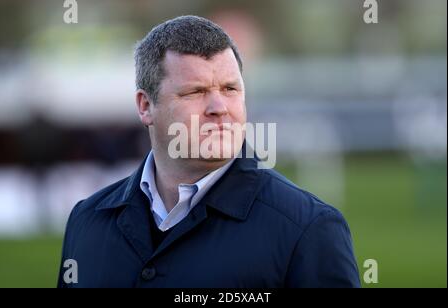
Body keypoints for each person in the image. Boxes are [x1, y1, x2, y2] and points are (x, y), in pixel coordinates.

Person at [58, 15, 360, 288]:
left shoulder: (308, 229)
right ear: (145, 106)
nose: (219, 108)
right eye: (195, 92)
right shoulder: (87, 220)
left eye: (230, 89)